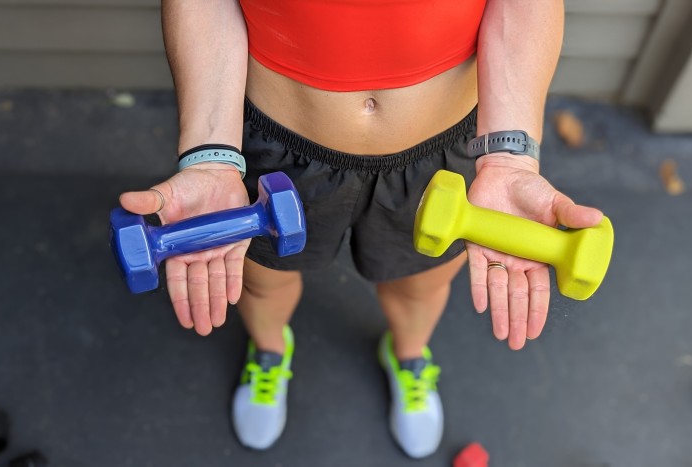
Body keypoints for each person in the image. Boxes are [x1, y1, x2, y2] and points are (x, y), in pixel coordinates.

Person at [119, 0, 604, 458]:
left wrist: (510, 155)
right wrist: (208, 153)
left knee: (421, 285)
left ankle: (409, 356)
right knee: (263, 280)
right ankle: (269, 352)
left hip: (441, 151)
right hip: (273, 142)